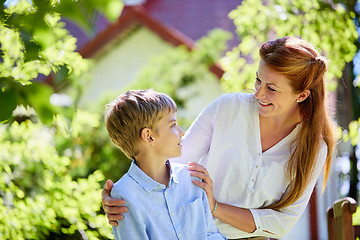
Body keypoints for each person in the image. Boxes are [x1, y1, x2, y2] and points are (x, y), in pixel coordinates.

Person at [102, 37, 336, 239]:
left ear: (302, 95)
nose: (259, 93)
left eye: (272, 88)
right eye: (258, 80)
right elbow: (169, 162)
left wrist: (214, 206)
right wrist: (127, 196)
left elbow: (280, 223)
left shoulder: (315, 148)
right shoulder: (228, 108)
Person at [104, 89, 226, 240]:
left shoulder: (193, 178)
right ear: (149, 136)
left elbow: (211, 234)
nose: (182, 132)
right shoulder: (125, 195)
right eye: (173, 124)